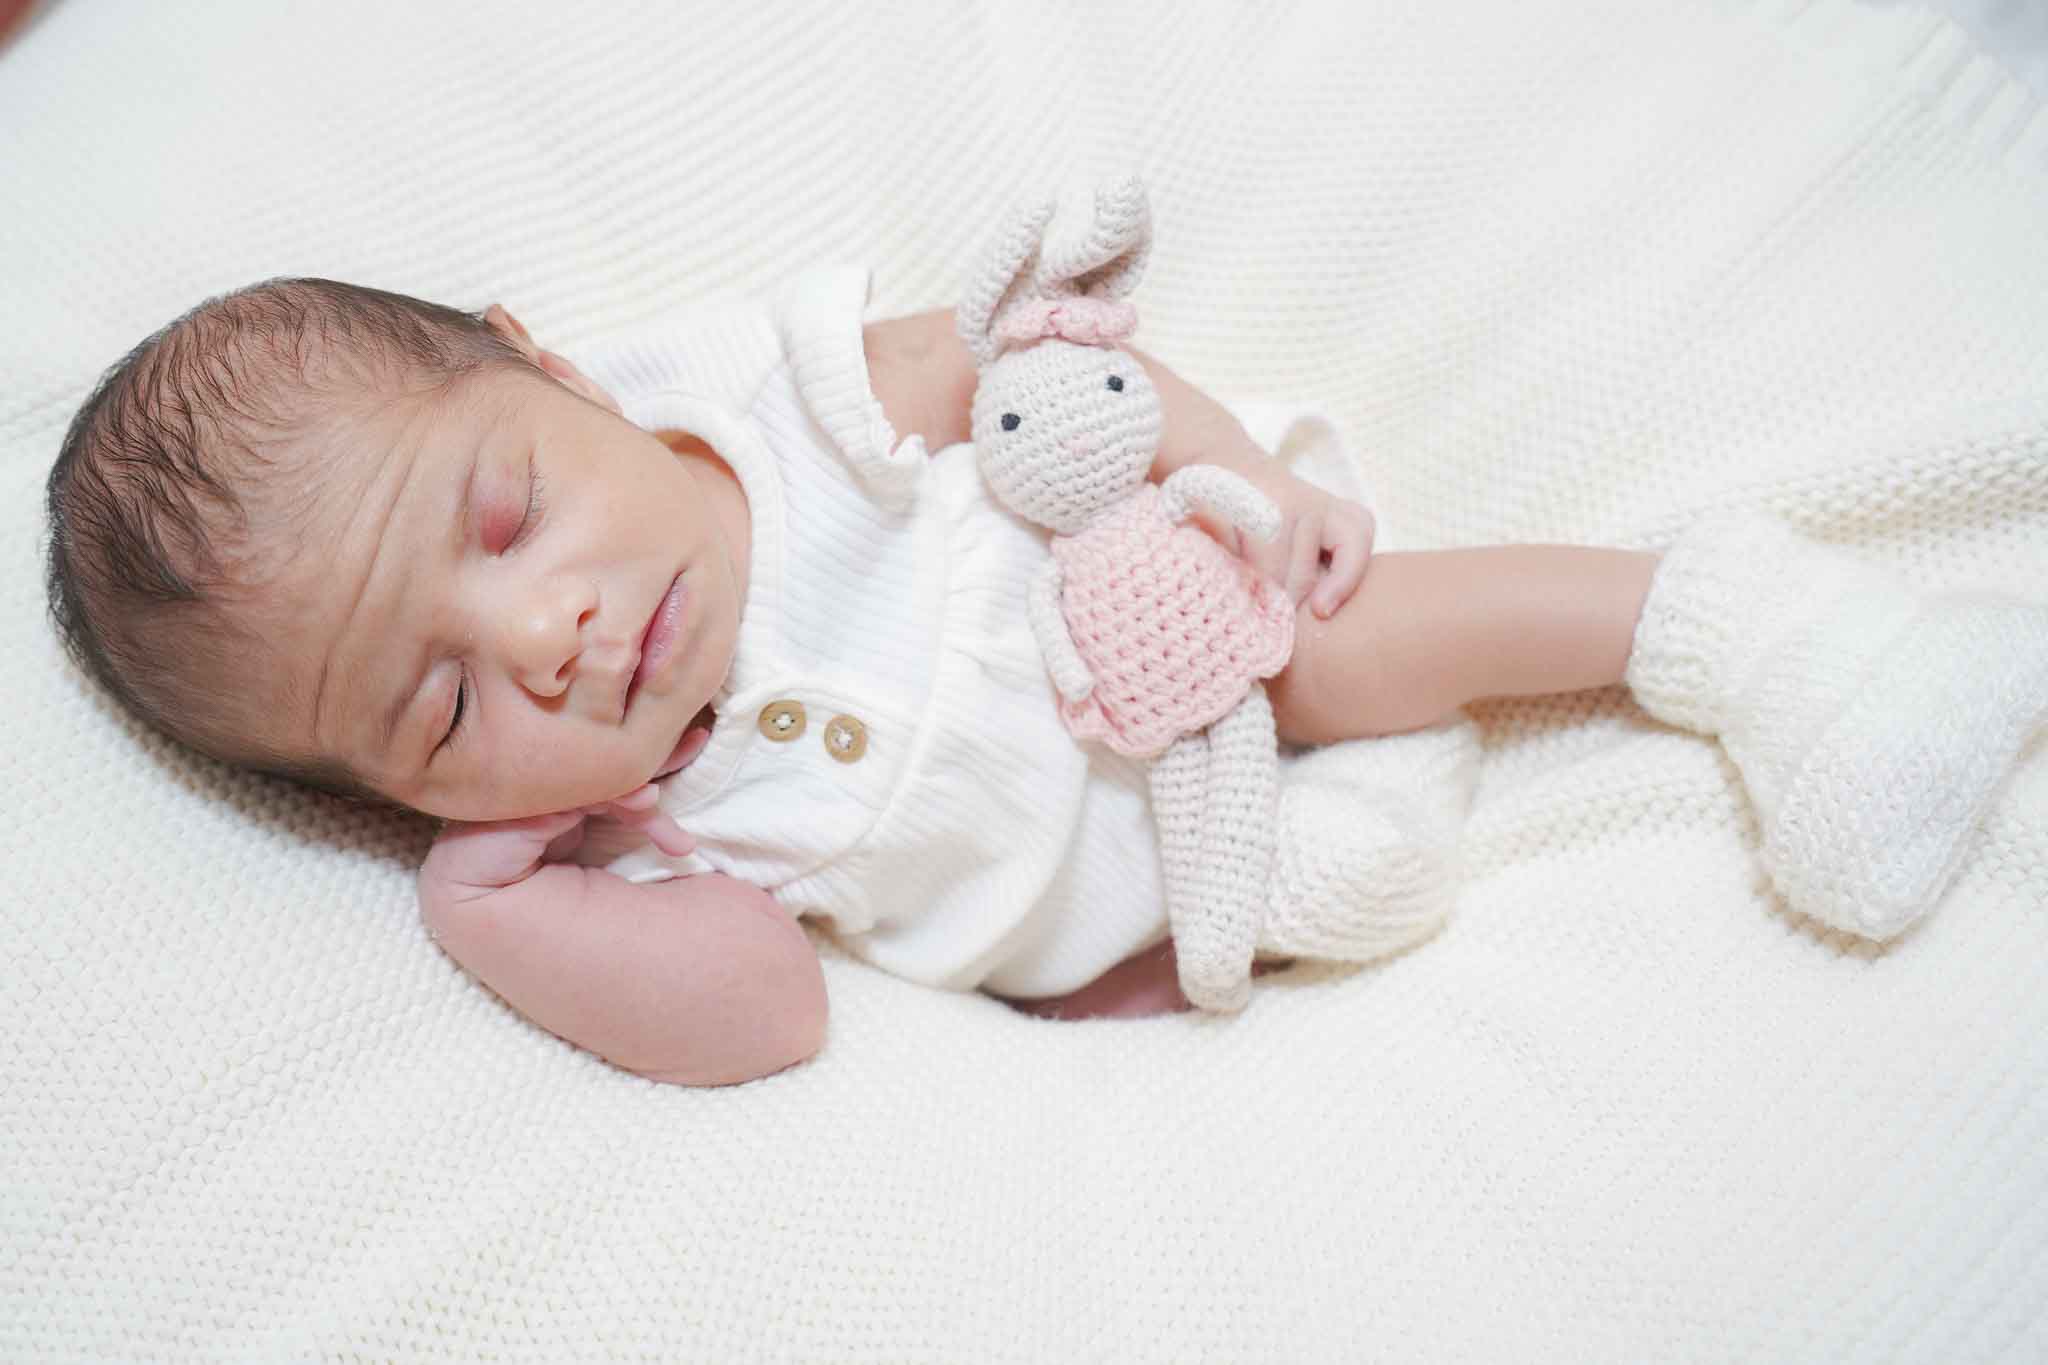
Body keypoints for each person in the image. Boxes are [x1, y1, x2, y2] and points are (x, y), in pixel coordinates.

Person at [43, 269, 2048, 1087]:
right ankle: (1325, 860)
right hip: (1157, 902)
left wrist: (1241, 479)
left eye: (498, 525)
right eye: (442, 708)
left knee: (1347, 655)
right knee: (1254, 906)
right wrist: (500, 897)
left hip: (1178, 620)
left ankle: (1748, 633)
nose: (543, 641)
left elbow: (1048, 373)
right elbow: (764, 1018)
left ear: (548, 366)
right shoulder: (627, 831)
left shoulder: (788, 412)